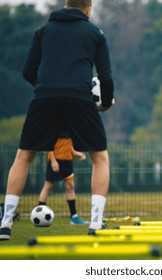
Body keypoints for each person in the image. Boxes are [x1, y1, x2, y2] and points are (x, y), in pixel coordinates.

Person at [0, 0, 115, 240]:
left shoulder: (43, 31)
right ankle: (94, 223)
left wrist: (47, 87)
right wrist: (104, 103)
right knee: (100, 158)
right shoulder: (95, 33)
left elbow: (28, 71)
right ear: (88, 8)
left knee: (23, 157)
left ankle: (6, 223)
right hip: (80, 100)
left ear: (66, 4)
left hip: (45, 98)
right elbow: (105, 77)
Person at [38, 131, 88, 225]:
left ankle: (74, 217)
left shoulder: (69, 125)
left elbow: (68, 143)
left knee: (70, 186)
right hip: (56, 160)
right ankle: (39, 214)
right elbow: (48, 143)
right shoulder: (54, 123)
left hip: (68, 161)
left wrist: (75, 153)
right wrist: (53, 160)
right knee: (48, 186)